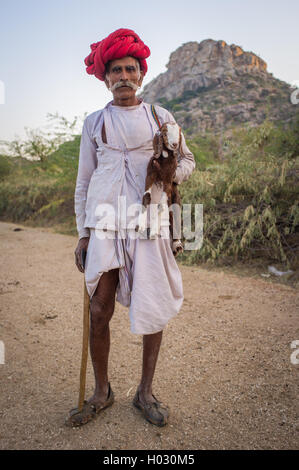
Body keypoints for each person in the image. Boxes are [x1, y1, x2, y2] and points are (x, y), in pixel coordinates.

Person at [65, 28, 195, 428]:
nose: (123, 76)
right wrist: (83, 233)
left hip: (148, 225)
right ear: (105, 78)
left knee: (152, 307)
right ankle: (102, 392)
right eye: (116, 70)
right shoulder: (95, 123)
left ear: (141, 74)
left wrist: (171, 174)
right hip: (103, 225)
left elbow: (188, 161)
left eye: (130, 69)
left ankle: (145, 393)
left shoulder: (161, 117)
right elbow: (84, 180)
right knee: (99, 309)